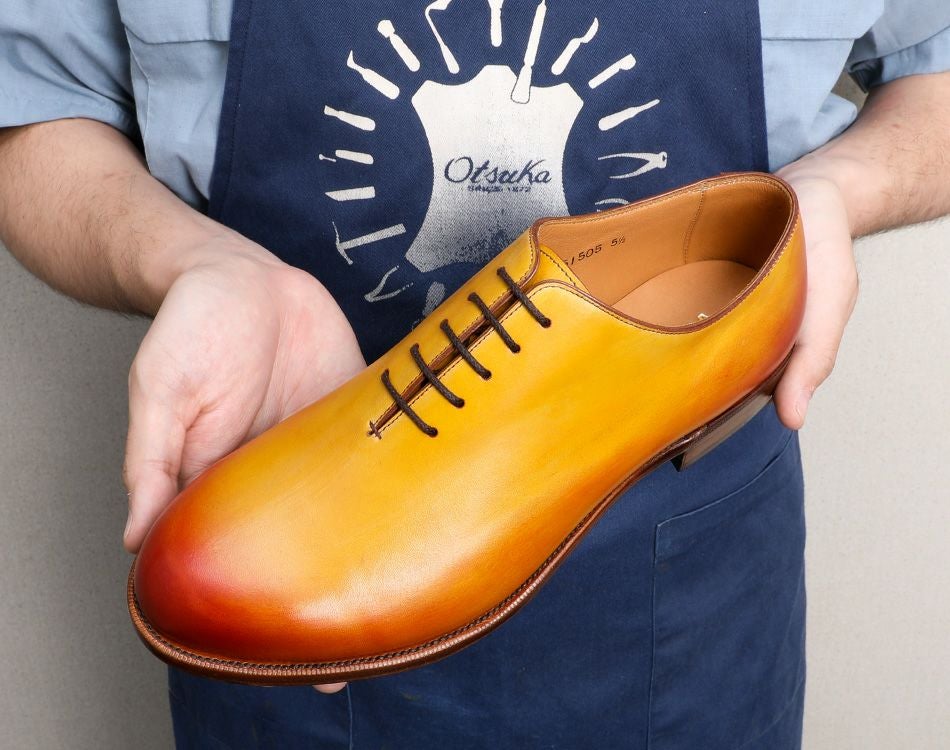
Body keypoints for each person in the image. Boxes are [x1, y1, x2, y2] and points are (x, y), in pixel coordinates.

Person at [1, 1, 948, 747]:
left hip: (691, 581)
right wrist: (193, 263)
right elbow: (32, 105)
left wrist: (835, 193)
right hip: (295, 527)